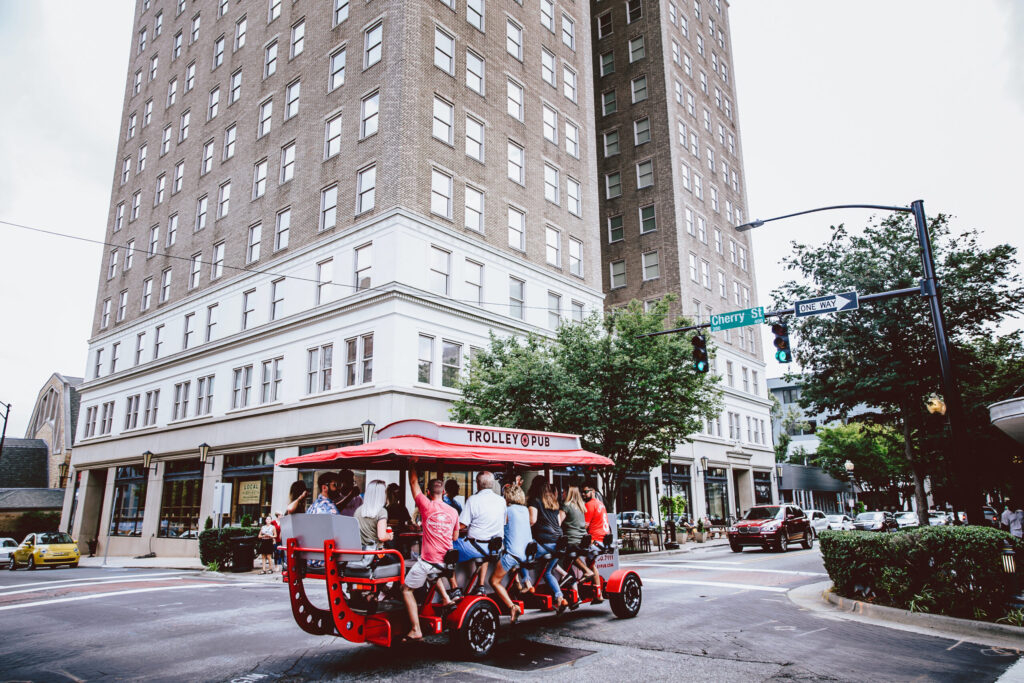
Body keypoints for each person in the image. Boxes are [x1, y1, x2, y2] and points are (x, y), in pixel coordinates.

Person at [402, 468, 460, 642]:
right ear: (444, 492)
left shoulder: (426, 505)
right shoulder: (453, 512)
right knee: (431, 573)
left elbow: (413, 483)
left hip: (430, 561)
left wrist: (412, 464)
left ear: (427, 492)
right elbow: (455, 536)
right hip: (447, 563)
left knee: (405, 589)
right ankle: (445, 598)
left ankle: (415, 629)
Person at [454, 471, 506, 594]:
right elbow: (503, 522)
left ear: (477, 484)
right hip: (495, 548)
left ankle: (454, 588)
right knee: (485, 546)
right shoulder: (501, 500)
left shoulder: (473, 500)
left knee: (447, 548)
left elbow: (462, 525)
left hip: (475, 547)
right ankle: (480, 585)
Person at [489, 484, 532, 623]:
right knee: (511, 563)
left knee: (494, 581)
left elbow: (497, 528)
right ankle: (518, 583)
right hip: (526, 554)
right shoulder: (525, 510)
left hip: (513, 555)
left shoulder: (507, 511)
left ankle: (512, 606)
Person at [528, 478, 568, 612]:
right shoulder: (553, 502)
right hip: (558, 544)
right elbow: (558, 522)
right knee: (548, 572)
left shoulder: (535, 501)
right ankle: (560, 598)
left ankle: (526, 584)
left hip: (544, 544)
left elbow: (532, 520)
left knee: (520, 557)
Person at [354, 480, 394, 561]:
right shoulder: (381, 511)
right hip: (376, 555)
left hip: (361, 555)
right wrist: (389, 536)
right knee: (399, 564)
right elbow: (382, 536)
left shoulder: (358, 511)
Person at [582, 483, 609, 603]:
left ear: (593, 491)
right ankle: (597, 592)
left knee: (586, 563)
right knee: (590, 563)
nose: (583, 494)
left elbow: (585, 526)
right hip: (603, 539)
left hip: (595, 540)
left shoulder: (589, 505)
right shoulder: (600, 504)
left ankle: (598, 594)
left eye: (586, 491)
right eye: (582, 492)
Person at [562, 486, 596, 582]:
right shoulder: (581, 507)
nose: (562, 494)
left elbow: (558, 522)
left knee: (568, 556)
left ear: (568, 494)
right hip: (583, 541)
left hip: (573, 541)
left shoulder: (567, 506)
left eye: (563, 492)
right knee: (567, 562)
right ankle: (573, 584)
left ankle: (585, 572)